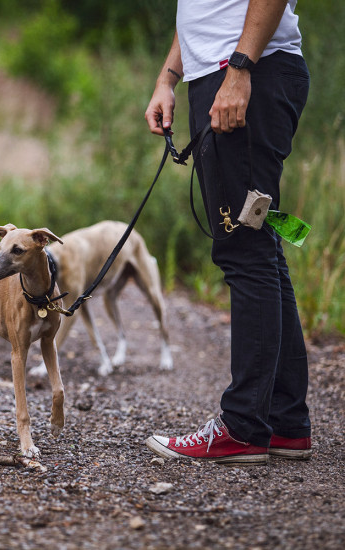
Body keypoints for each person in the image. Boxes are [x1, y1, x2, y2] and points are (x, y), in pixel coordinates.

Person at [144, 0, 312, 465]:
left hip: (244, 75)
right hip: (222, 74)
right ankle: (284, 422)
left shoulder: (242, 70)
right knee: (259, 248)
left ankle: (242, 428)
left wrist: (239, 68)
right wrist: (168, 78)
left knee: (246, 251)